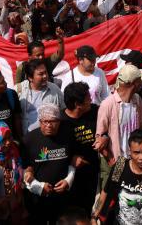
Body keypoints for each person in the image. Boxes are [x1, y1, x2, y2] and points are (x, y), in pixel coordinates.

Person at [93, 130, 142, 224]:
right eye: (136, 153)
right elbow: (105, 192)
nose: (141, 157)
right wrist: (94, 217)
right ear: (130, 152)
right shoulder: (120, 166)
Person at [22, 103, 76, 224]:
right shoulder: (28, 140)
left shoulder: (68, 136)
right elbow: (24, 168)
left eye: (53, 121)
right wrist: (38, 187)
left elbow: (73, 162)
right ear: (39, 121)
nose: (49, 125)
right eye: (45, 121)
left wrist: (68, 180)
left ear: (59, 121)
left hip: (62, 198)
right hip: (37, 199)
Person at [95, 64, 142, 176]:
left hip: (135, 160)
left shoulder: (137, 100)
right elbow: (99, 138)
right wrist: (111, 160)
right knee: (115, 186)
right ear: (133, 83)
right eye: (139, 79)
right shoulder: (108, 104)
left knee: (133, 186)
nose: (141, 82)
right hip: (117, 160)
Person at [61, 82, 99, 213]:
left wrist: (104, 137)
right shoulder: (60, 121)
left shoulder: (95, 111)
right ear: (78, 104)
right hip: (69, 179)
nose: (91, 100)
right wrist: (70, 158)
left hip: (92, 175)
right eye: (88, 98)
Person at [0, 121, 26, 224]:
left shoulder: (13, 149)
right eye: (3, 139)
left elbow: (19, 170)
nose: (8, 142)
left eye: (9, 137)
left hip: (16, 200)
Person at [17, 58, 64, 134]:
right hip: (26, 137)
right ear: (30, 78)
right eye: (41, 74)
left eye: (45, 72)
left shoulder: (55, 90)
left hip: (48, 138)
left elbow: (64, 111)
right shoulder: (19, 90)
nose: (45, 76)